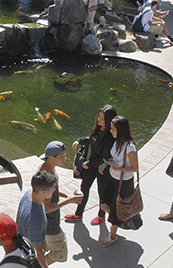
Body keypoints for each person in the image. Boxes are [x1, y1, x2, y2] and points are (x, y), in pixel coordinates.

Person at [66, 104, 117, 224]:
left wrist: (89, 164)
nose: (98, 120)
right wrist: (79, 140)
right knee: (84, 188)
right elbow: (92, 139)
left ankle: (101, 215)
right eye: (98, 117)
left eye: (102, 118)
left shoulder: (110, 136)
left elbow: (104, 157)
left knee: (102, 192)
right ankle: (78, 214)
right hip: (91, 165)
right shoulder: (98, 129)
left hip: (101, 168)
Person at [38, 141, 82, 264]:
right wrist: (69, 201)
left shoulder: (50, 167)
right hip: (50, 222)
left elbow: (53, 190)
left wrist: (66, 195)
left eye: (64, 155)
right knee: (59, 254)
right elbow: (46, 208)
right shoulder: (46, 176)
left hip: (48, 221)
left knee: (45, 247)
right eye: (61, 156)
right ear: (51, 157)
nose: (64, 159)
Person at [98, 116, 138, 247]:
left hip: (124, 182)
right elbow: (114, 157)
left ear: (120, 130)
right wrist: (107, 164)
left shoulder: (130, 147)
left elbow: (135, 167)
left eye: (113, 129)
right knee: (104, 204)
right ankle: (119, 220)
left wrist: (118, 168)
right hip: (112, 178)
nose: (111, 131)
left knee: (116, 209)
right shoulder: (116, 142)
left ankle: (113, 236)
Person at [16, 170, 57, 268]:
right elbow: (37, 251)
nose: (54, 190)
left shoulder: (29, 194)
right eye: (53, 188)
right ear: (43, 192)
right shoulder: (35, 219)